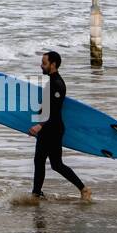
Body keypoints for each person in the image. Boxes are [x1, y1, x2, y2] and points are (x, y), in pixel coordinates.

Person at [28, 51, 91, 201]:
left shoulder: (57, 84)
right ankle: (36, 193)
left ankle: (83, 189)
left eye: (44, 63)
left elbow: (54, 111)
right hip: (50, 129)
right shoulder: (52, 81)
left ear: (53, 64)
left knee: (54, 164)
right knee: (42, 161)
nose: (41, 66)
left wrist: (40, 125)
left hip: (53, 130)